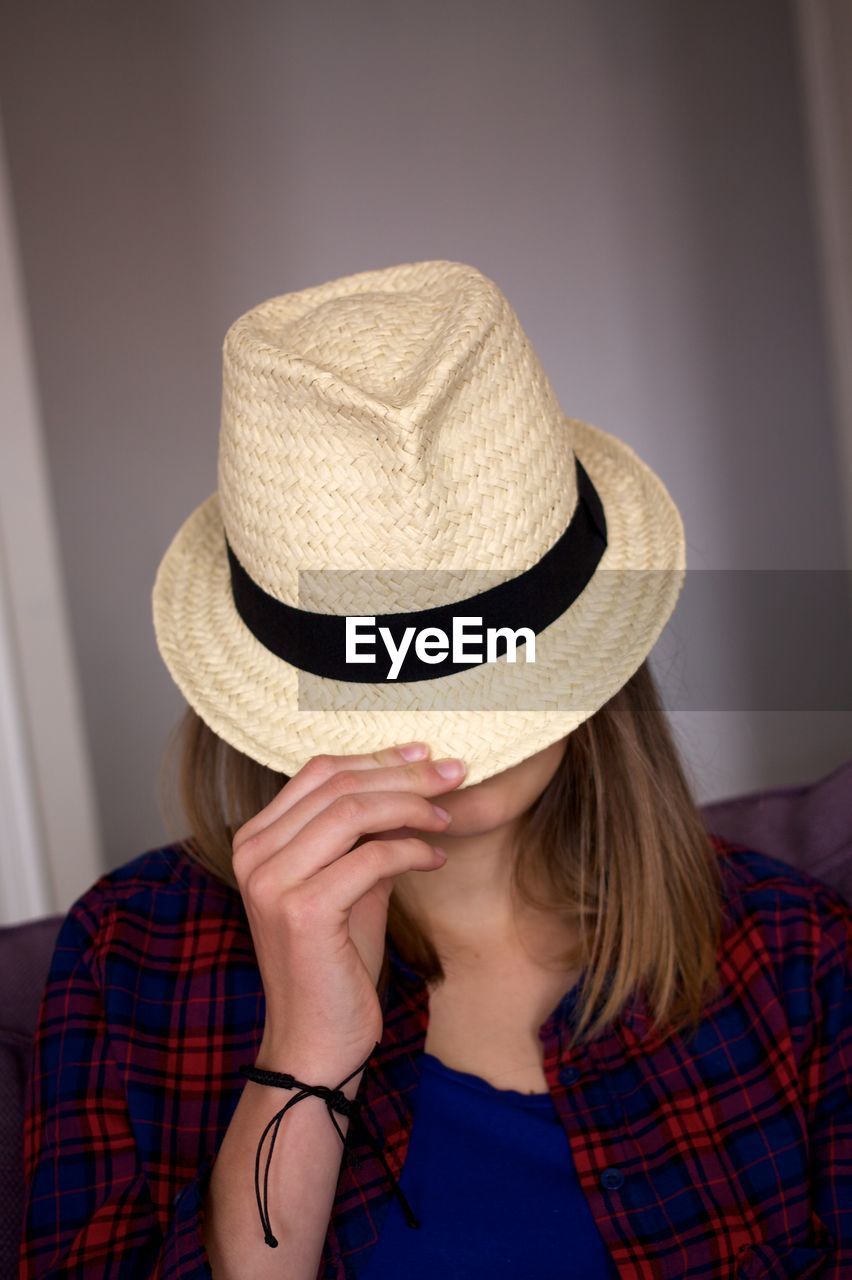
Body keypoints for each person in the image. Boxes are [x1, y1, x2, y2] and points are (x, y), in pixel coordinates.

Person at [19, 260, 851, 1279]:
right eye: (393, 692)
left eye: (490, 671)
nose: (445, 743)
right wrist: (307, 1057)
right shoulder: (132, 959)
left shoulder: (799, 958)